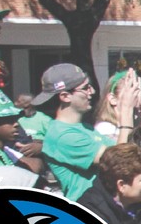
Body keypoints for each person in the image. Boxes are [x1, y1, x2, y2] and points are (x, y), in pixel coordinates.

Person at [28, 63, 126, 200]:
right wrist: (126, 111)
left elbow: (124, 150)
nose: (91, 91)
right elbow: (122, 160)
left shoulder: (86, 127)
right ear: (65, 96)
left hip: (104, 206)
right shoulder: (62, 135)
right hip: (90, 211)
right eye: (85, 88)